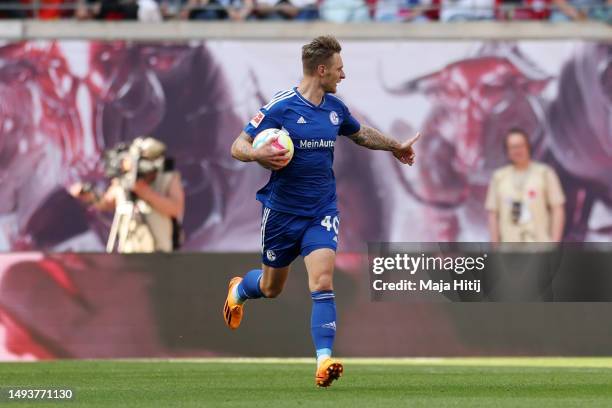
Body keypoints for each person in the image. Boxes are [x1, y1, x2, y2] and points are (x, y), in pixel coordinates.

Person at [223, 35, 421, 387]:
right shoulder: (282, 107)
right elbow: (238, 144)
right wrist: (256, 154)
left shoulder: (336, 108)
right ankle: (239, 290)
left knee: (323, 281)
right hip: (282, 213)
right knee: (271, 289)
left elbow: (361, 135)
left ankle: (323, 360)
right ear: (322, 69)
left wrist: (394, 146)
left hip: (321, 209)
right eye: (340, 69)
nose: (343, 76)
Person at [70, 137, 185, 253]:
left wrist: (146, 193)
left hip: (159, 251)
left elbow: (175, 208)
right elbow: (106, 202)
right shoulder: (123, 180)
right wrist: (89, 195)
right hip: (130, 249)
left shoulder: (168, 177)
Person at [485, 128, 565, 243]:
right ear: (507, 151)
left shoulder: (545, 173)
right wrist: (495, 245)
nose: (517, 150)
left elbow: (557, 209)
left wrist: (554, 243)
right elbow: (493, 214)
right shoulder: (498, 177)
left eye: (521, 145)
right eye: (512, 147)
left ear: (528, 146)